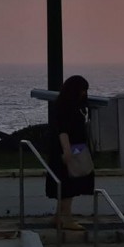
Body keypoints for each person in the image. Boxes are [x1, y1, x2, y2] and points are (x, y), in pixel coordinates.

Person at [45, 75, 94, 230]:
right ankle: (67, 218)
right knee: (68, 185)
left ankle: (58, 216)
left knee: (66, 184)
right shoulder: (66, 107)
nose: (84, 93)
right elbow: (63, 130)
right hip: (70, 148)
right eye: (83, 90)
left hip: (72, 147)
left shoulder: (68, 105)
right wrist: (66, 150)